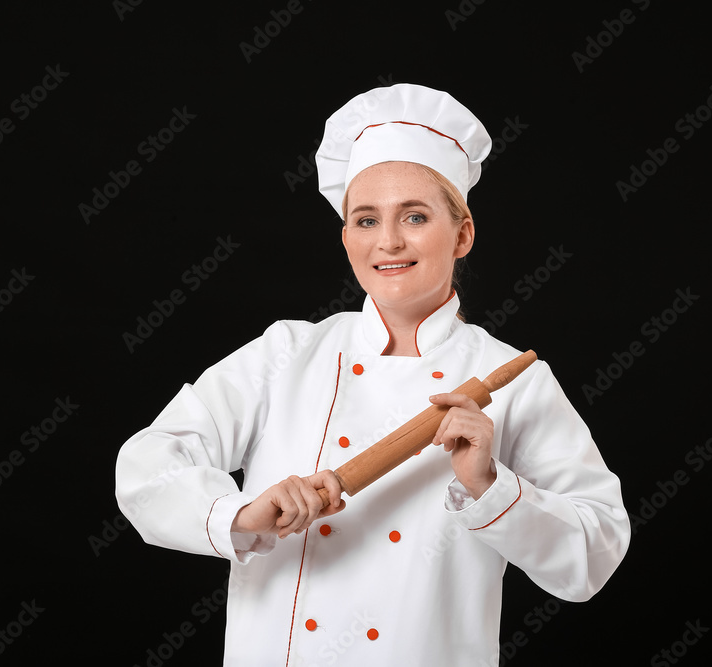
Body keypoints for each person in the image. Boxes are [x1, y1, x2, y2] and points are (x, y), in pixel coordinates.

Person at [116, 83, 630, 666]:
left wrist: (491, 485)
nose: (387, 242)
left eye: (414, 215)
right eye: (365, 220)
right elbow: (147, 466)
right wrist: (239, 514)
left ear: (462, 233)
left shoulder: (511, 380)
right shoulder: (287, 353)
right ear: (345, 237)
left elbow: (597, 552)